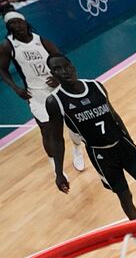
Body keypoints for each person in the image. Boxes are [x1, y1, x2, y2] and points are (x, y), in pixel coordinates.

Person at [45, 54, 136, 257]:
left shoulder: (96, 86)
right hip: (101, 154)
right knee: (124, 195)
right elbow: (56, 138)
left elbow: (113, 115)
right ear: (52, 74)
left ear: (72, 66)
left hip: (124, 145)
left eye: (65, 66)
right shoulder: (55, 101)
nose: (63, 71)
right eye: (57, 69)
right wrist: (59, 172)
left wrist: (131, 141)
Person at [0, 11, 85, 172]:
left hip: (58, 90)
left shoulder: (42, 41)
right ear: (8, 27)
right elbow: (2, 70)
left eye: (19, 22)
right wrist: (16, 88)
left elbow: (64, 61)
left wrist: (59, 79)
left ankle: (77, 149)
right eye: (12, 24)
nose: (17, 26)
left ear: (26, 23)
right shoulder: (7, 45)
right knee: (47, 130)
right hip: (35, 94)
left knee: (74, 125)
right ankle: (55, 166)